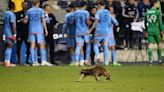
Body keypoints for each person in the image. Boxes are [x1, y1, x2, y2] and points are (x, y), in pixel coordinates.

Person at [24, 0, 52, 66]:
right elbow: (43, 20)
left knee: (33, 45)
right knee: (41, 45)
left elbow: (25, 21)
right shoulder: (41, 10)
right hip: (39, 29)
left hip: (31, 29)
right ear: (38, 3)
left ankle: (34, 62)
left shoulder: (29, 11)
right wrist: (45, 30)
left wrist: (23, 19)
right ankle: (43, 61)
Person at [88, 1, 113, 66]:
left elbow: (96, 22)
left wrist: (90, 30)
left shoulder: (98, 12)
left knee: (95, 44)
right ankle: (106, 62)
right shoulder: (108, 12)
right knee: (105, 46)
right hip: (106, 31)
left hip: (99, 30)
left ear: (99, 5)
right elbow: (110, 22)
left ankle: (98, 57)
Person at [145, 0, 164, 66]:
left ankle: (150, 61)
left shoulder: (147, 13)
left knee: (150, 45)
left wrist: (146, 30)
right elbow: (160, 23)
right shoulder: (157, 12)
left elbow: (145, 23)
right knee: (159, 45)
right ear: (155, 4)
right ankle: (160, 60)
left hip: (149, 31)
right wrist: (162, 31)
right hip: (156, 31)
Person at [74, 1, 91, 67]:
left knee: (79, 46)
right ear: (85, 6)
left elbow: (74, 21)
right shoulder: (86, 12)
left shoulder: (76, 12)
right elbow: (87, 22)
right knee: (88, 45)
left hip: (78, 31)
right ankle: (86, 60)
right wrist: (90, 23)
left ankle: (77, 61)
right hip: (85, 31)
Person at [15, 1, 30, 65]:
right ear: (21, 5)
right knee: (18, 47)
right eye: (24, 5)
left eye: (26, 5)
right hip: (20, 33)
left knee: (28, 47)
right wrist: (21, 20)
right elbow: (15, 22)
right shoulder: (18, 13)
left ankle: (27, 61)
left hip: (27, 33)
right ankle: (18, 61)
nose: (25, 6)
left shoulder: (29, 13)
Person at [3, 2, 16, 67]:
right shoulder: (11, 14)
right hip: (9, 32)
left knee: (7, 46)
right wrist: (14, 34)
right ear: (13, 6)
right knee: (10, 45)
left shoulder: (5, 13)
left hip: (5, 31)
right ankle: (7, 62)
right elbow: (12, 23)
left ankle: (6, 61)